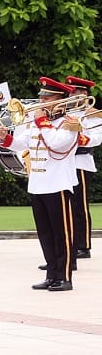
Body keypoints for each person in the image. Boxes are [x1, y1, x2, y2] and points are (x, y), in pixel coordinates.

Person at [0, 76, 83, 293]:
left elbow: (57, 146)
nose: (42, 101)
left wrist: (42, 122)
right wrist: (5, 138)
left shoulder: (70, 123)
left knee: (61, 234)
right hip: (37, 185)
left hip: (58, 185)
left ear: (60, 99)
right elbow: (22, 143)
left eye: (47, 97)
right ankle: (51, 274)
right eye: (41, 97)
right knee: (45, 234)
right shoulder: (37, 123)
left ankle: (64, 277)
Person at [65, 76, 99, 259]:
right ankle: (68, 245)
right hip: (64, 162)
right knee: (66, 206)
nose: (70, 96)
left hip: (81, 162)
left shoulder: (92, 113)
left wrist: (79, 138)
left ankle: (83, 245)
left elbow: (97, 136)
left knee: (79, 205)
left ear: (84, 94)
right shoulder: (64, 112)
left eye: (74, 93)